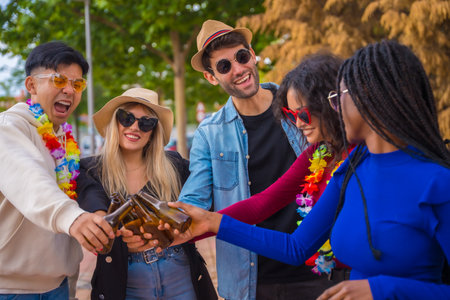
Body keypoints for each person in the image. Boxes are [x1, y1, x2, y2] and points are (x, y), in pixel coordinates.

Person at [170, 40, 450, 299]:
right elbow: (292, 241)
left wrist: (381, 290)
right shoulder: (349, 169)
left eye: (302, 113)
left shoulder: (437, 182)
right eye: (291, 116)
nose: (298, 123)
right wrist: (205, 223)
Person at [179, 19, 336, 300]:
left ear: (252, 53)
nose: (239, 69)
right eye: (224, 66)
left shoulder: (296, 107)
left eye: (241, 57)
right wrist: (170, 226)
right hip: (250, 280)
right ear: (211, 77)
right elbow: (200, 203)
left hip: (318, 270)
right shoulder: (210, 133)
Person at [76, 88, 217, 300]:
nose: (135, 127)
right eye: (127, 118)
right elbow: (94, 204)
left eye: (146, 122)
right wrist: (102, 223)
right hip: (125, 279)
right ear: (115, 122)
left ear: (153, 131)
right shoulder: (91, 169)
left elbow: (209, 193)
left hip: (179, 270)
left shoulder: (174, 165)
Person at [0, 41, 114, 299]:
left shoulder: (64, 139)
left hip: (59, 286)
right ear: (31, 85)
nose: (69, 91)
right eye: (59, 80)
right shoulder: (8, 127)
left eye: (77, 84)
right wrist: (74, 218)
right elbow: (31, 181)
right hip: (10, 289)